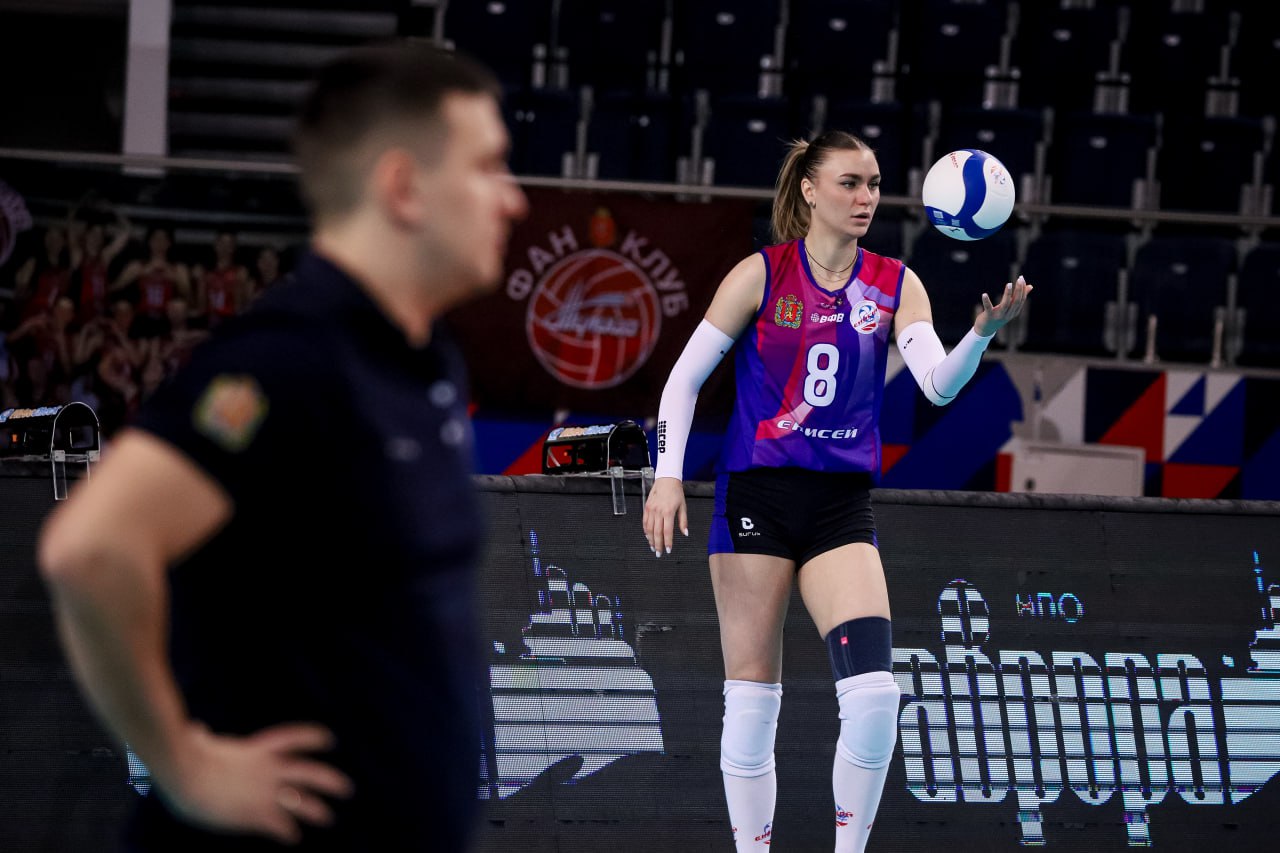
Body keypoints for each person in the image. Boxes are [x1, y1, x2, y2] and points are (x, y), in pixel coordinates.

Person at [38, 40, 528, 852]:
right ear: (403, 187)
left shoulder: (424, 359)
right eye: (488, 166)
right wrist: (186, 765)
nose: (513, 199)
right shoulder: (288, 362)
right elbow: (90, 548)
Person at [642, 131, 1031, 852]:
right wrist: (668, 476)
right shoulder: (761, 275)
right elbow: (682, 381)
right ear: (810, 190)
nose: (866, 197)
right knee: (752, 706)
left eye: (875, 184)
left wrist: (980, 335)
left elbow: (937, 385)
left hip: (839, 506)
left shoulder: (895, 282)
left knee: (877, 699)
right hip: (756, 496)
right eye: (850, 183)